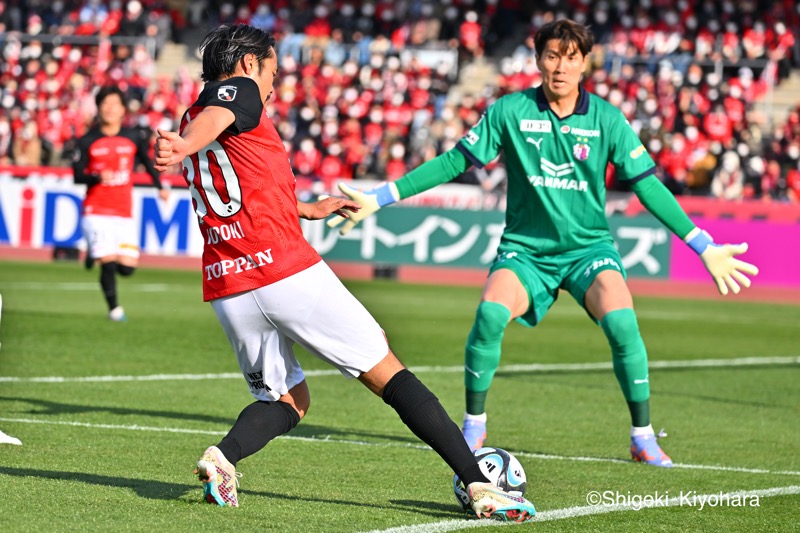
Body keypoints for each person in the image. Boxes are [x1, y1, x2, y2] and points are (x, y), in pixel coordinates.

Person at [328, 19, 759, 468]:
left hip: (589, 249)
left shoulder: (607, 119)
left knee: (625, 327)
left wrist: (702, 245)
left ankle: (642, 436)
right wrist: (382, 196)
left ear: (585, 63)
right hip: (526, 250)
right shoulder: (510, 111)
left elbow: (648, 186)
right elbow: (455, 161)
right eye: (552, 56)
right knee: (490, 315)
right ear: (537, 60)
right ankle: (474, 425)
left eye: (571, 57)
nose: (560, 67)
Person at [152, 24, 535, 522]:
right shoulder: (233, 94)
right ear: (249, 65)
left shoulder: (197, 112)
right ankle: (482, 484)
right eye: (272, 70)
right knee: (389, 374)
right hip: (284, 273)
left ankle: (223, 458)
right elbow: (222, 112)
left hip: (230, 286)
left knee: (289, 400)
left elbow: (242, 180)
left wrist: (306, 208)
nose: (272, 84)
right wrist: (183, 146)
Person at [72, 86, 170, 322]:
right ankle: (115, 311)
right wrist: (96, 177)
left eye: (114, 104)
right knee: (107, 262)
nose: (109, 108)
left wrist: (159, 186)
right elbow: (76, 175)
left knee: (126, 268)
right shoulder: (88, 140)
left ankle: (95, 253)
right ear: (98, 108)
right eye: (105, 103)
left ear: (123, 109)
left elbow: (147, 163)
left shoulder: (133, 136)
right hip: (96, 210)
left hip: (123, 211)